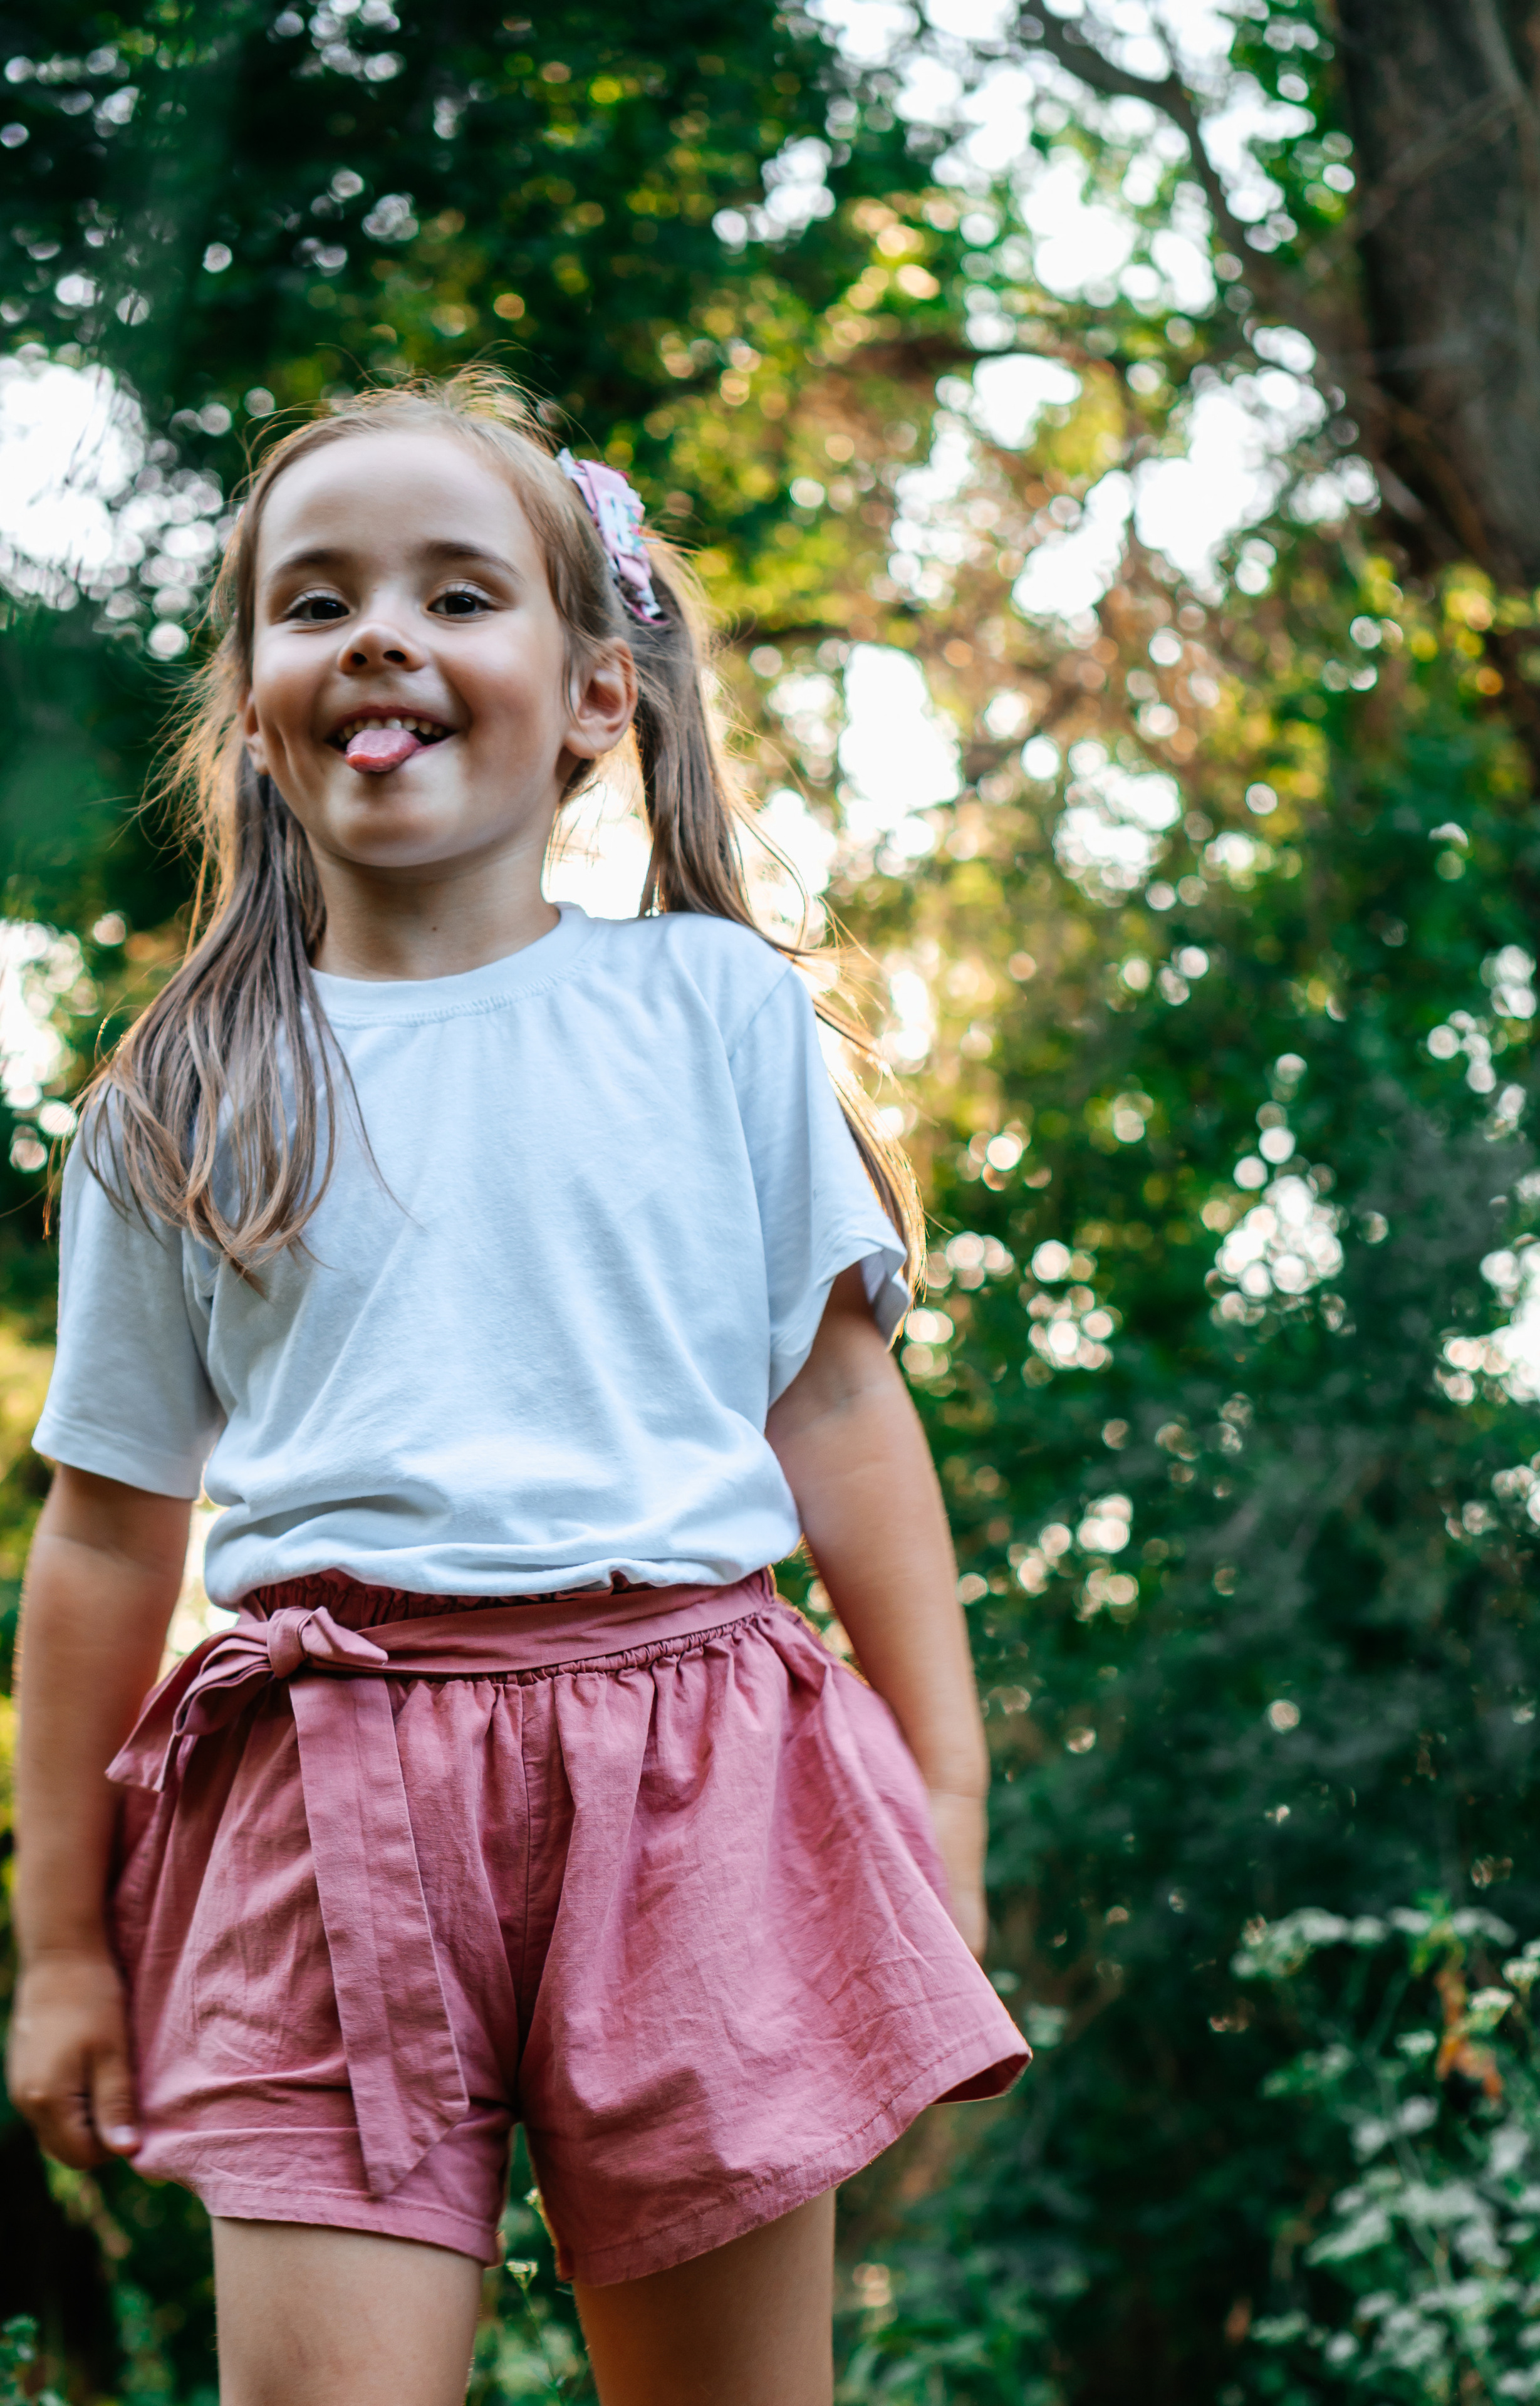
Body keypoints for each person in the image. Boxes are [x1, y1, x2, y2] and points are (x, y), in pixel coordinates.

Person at [8, 372, 1026, 2406]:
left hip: (694, 1774)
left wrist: (946, 1786)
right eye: (316, 603)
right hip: (312, 1796)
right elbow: (115, 1531)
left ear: (591, 694)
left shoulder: (708, 1008)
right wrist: (59, 1947)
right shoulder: (178, 1103)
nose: (379, 632)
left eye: (457, 591)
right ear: (256, 707)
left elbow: (833, 1413)